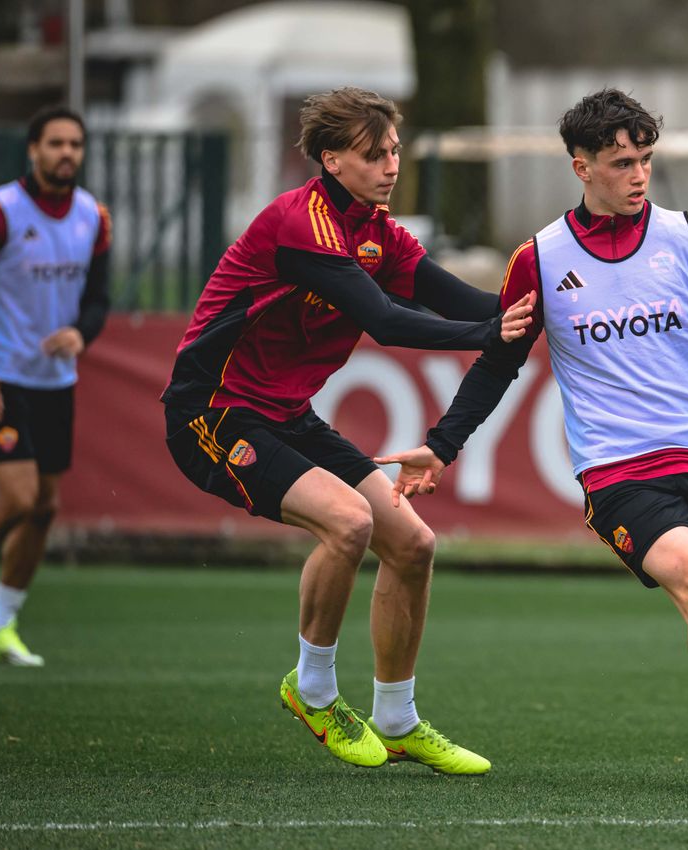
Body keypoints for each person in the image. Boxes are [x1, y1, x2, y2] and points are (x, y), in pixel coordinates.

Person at [377, 88, 688, 797]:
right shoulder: (539, 258)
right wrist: (441, 445)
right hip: (619, 471)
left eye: (646, 159)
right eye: (622, 162)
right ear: (581, 166)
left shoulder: (685, 238)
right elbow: (500, 361)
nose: (639, 175)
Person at [161, 87, 535, 771]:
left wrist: (541, 307)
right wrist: (492, 331)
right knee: (349, 521)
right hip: (210, 412)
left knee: (413, 543)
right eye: (373, 155)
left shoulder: (378, 230)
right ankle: (312, 689)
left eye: (394, 150)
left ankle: (396, 719)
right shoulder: (299, 224)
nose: (391, 165)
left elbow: (450, 293)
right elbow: (389, 320)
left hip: (285, 413)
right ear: (331, 159)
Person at [0, 106, 112, 668]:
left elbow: (98, 300)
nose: (67, 153)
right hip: (3, 378)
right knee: (17, 497)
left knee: (44, 508)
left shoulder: (94, 216)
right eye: (56, 143)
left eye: (76, 144)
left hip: (55, 384)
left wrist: (81, 334)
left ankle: (0, 625)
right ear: (32, 149)